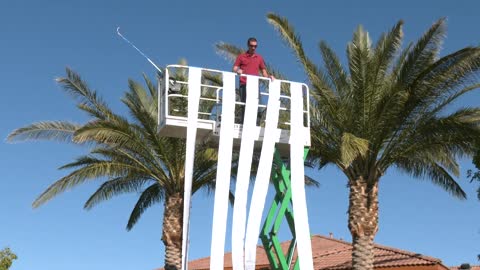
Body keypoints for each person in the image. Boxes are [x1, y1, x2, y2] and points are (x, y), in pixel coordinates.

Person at [233, 37, 275, 103]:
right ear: (248, 45)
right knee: (244, 105)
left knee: (257, 106)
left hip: (254, 84)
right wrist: (238, 70)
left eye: (255, 46)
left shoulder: (259, 58)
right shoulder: (241, 56)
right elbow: (235, 68)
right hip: (244, 84)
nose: (253, 48)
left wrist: (269, 77)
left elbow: (264, 72)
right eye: (251, 46)